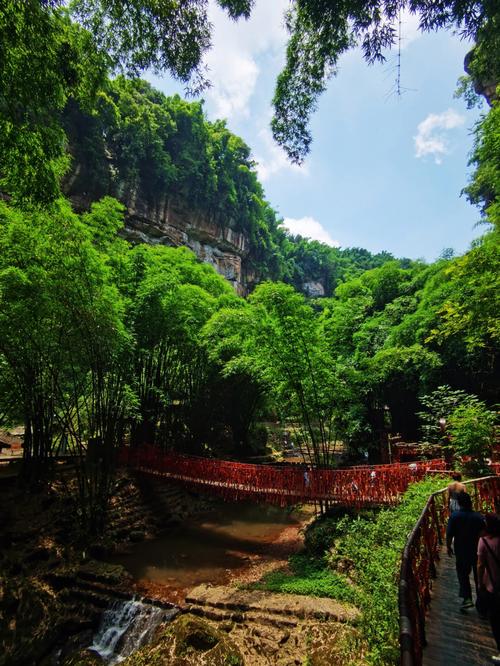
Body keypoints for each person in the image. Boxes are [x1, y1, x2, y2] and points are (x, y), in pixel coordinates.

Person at [446, 491, 485, 609]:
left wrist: (448, 546)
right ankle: (482, 602)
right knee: (479, 576)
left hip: (461, 549)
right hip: (477, 550)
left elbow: (449, 534)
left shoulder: (455, 516)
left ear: (459, 503)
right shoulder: (478, 517)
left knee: (463, 574)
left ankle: (467, 598)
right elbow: (483, 534)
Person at [477, 513, 500, 664]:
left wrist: (480, 584)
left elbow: (480, 565)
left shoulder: (484, 541)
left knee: (496, 620)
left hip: (493, 587)